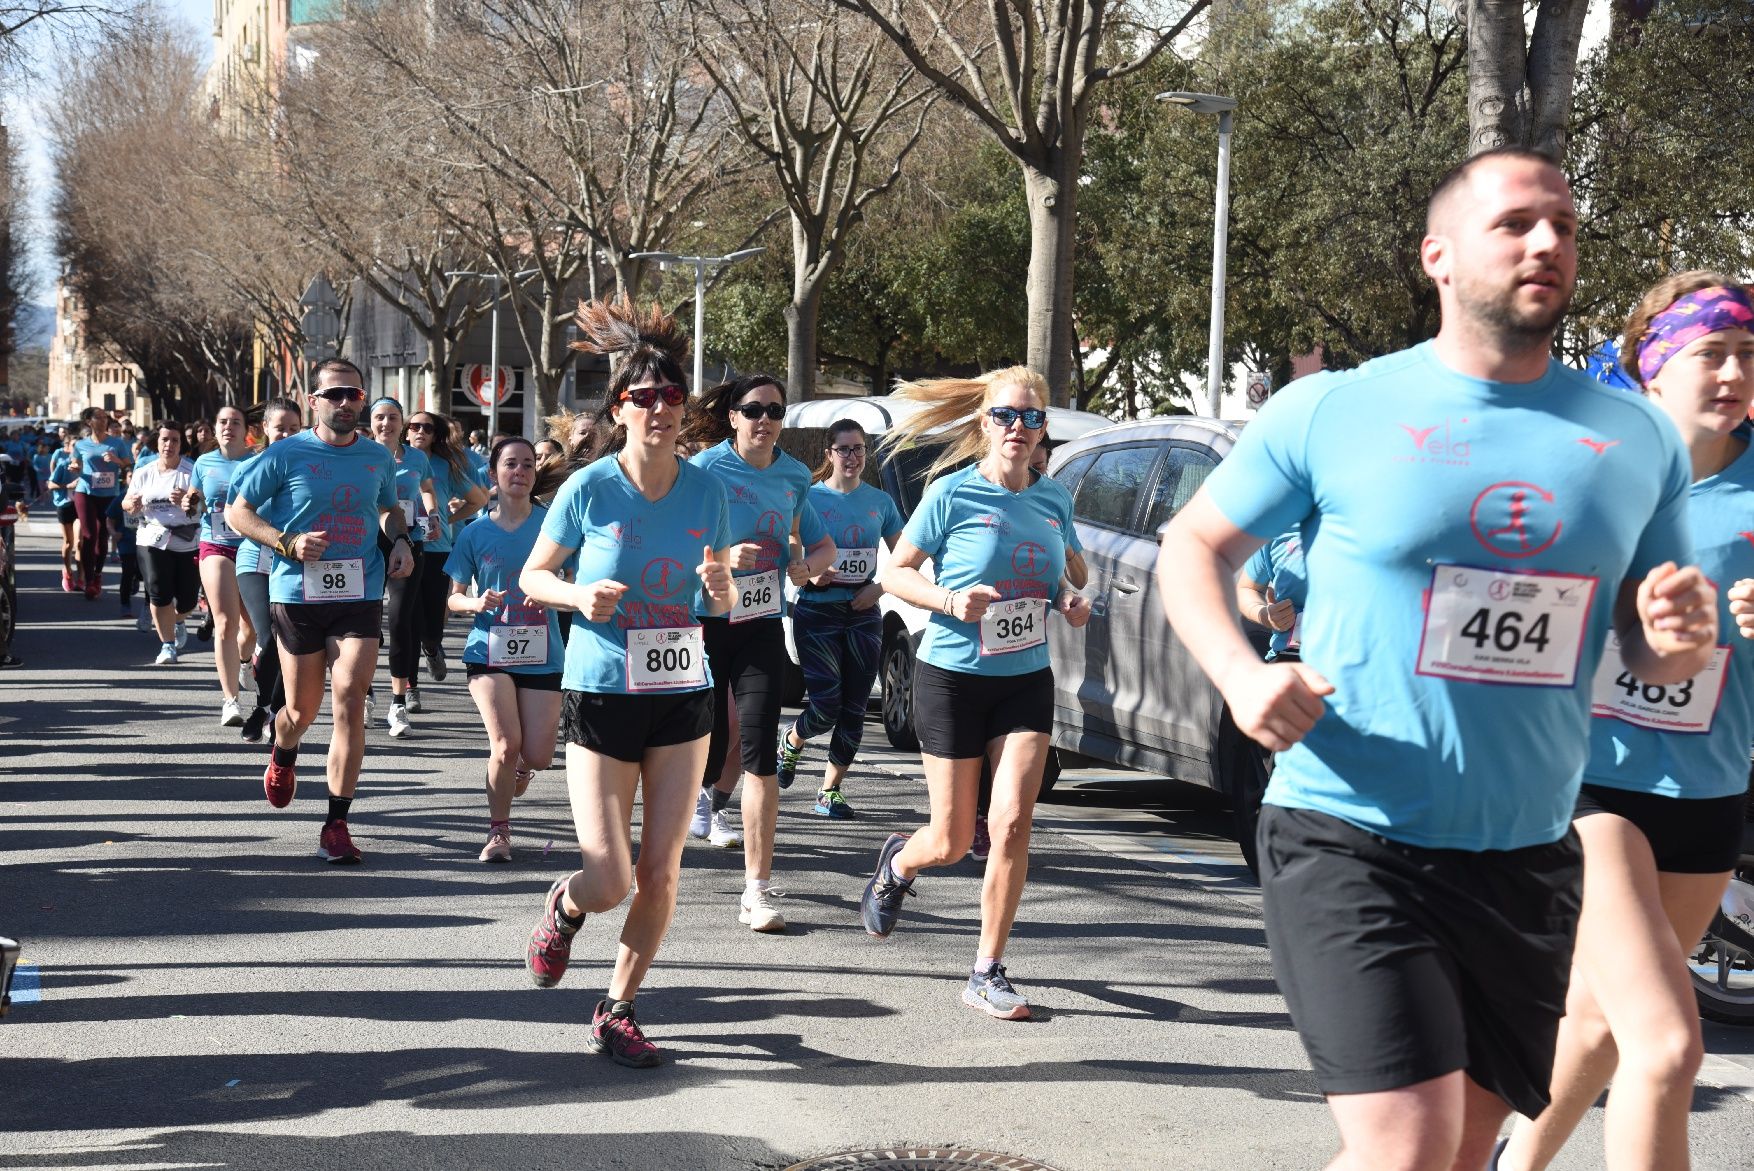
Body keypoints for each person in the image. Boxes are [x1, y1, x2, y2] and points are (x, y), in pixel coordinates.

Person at [1153, 148, 1717, 1171]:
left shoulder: (1635, 437)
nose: (1545, 242)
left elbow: (1649, 639)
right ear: (1438, 256)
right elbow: (1191, 547)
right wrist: (1241, 675)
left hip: (1522, 847)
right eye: (1513, 224)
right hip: (1349, 829)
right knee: (1406, 1141)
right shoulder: (1332, 409)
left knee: (1459, 1146)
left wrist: (1673, 644)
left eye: (1561, 225)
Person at [1496, 276, 1754, 1171]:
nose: (1732, 373)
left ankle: (1509, 1162)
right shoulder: (1592, 470)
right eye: (1709, 353)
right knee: (1669, 1041)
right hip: (1586, 783)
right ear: (1651, 366)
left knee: (1603, 1019)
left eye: (1748, 357)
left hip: (1708, 789)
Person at [518, 295, 734, 1067]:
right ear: (621, 409)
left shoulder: (709, 489)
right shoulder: (589, 489)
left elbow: (723, 589)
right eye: (644, 398)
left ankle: (619, 1006)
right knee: (609, 876)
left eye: (672, 397)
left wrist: (719, 593)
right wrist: (579, 595)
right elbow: (534, 577)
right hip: (604, 688)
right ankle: (567, 904)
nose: (661, 409)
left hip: (683, 694)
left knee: (661, 869)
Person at [858, 367, 1090, 1022]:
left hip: (1024, 677)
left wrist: (1071, 598)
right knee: (955, 838)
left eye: (1032, 417)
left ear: (1045, 427)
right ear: (984, 422)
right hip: (953, 676)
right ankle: (900, 863)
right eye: (1006, 416)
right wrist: (951, 599)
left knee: (1013, 821)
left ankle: (987, 969)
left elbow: (1069, 570)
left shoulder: (1053, 500)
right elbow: (894, 572)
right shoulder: (950, 495)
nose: (1019, 428)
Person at [227, 359, 414, 865]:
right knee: (301, 711)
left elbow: (387, 506)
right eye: (334, 394)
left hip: (359, 591)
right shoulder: (287, 454)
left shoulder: (377, 457)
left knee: (351, 701)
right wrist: (285, 541)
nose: (345, 402)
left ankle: (336, 823)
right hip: (298, 594)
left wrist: (398, 539)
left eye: (353, 394)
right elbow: (237, 512)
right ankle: (283, 749)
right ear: (315, 400)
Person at [680, 373, 836, 933]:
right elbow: (674, 539)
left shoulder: (795, 475)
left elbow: (822, 544)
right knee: (707, 736)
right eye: (752, 410)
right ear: (732, 417)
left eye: (774, 410)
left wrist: (806, 567)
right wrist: (723, 556)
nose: (764, 419)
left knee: (758, 747)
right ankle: (689, 809)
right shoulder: (702, 471)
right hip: (700, 621)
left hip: (761, 624)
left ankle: (757, 889)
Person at [446, 436, 564, 863]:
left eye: (528, 465)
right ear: (494, 473)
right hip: (489, 650)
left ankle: (521, 766)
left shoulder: (554, 527)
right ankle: (499, 833)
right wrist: (474, 602)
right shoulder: (475, 532)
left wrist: (553, 593)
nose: (520, 471)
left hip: (543, 651)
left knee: (537, 755)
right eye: (511, 464)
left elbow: (572, 577)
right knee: (504, 743)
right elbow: (452, 596)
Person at [777, 419, 903, 818]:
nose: (853, 457)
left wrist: (878, 589)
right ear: (829, 454)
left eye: (860, 449)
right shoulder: (809, 497)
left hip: (862, 611)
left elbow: (904, 560)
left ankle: (829, 791)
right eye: (845, 449)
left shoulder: (880, 503)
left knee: (855, 705)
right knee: (826, 704)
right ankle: (792, 740)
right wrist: (811, 568)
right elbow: (790, 544)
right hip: (816, 609)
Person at [368, 397, 438, 735]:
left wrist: (433, 513)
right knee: (366, 624)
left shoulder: (417, 458)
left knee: (400, 621)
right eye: (379, 417)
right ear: (370, 424)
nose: (386, 424)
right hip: (367, 546)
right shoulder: (360, 456)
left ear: (402, 424)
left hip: (408, 543)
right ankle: (365, 693)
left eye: (393, 417)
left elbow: (426, 489)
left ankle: (398, 702)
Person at [236, 398, 303, 744]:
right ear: (264, 429)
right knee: (267, 635)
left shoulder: (309, 468)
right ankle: (264, 706)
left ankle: (271, 709)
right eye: (280, 428)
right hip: (255, 561)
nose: (287, 434)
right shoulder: (249, 467)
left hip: (294, 566)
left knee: (287, 641)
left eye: (294, 428)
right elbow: (236, 520)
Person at [409, 410, 490, 687]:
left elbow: (478, 499)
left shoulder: (445, 465)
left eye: (427, 428)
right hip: (401, 545)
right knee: (406, 619)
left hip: (436, 547)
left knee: (431, 623)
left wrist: (446, 518)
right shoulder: (392, 460)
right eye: (415, 426)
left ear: (435, 435)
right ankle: (408, 689)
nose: (420, 431)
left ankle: (432, 647)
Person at [191, 406, 256, 726]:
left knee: (254, 627)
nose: (228, 427)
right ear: (214, 429)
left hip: (254, 546)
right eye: (223, 422)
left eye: (235, 422)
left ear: (246, 429)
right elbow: (195, 497)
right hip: (215, 544)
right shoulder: (203, 463)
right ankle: (230, 701)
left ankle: (245, 661)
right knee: (226, 624)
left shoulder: (257, 460)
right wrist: (187, 499)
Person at [122, 422, 201, 666]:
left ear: (181, 444)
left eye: (175, 440)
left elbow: (204, 507)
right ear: (157, 442)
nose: (169, 444)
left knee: (188, 599)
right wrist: (132, 505)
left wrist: (188, 502)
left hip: (186, 540)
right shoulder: (144, 472)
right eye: (165, 439)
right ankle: (167, 646)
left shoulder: (191, 472)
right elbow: (126, 502)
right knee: (158, 591)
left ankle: (177, 620)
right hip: (151, 537)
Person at [72, 406, 134, 598]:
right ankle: (89, 581)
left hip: (109, 495)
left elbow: (129, 464)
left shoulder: (117, 443)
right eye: (99, 417)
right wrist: (74, 466)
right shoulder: (80, 445)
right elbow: (76, 463)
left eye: (104, 417)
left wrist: (116, 460)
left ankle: (98, 574)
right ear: (89, 422)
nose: (104, 420)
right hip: (85, 492)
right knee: (89, 535)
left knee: (102, 536)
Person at [1236, 531, 1307, 661]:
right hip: (1291, 656)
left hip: (1351, 658)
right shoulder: (1276, 527)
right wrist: (1265, 616)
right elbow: (1247, 588)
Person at [47, 435, 79, 592]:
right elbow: (50, 484)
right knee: (69, 542)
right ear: (69, 449)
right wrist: (68, 485)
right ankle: (68, 572)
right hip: (65, 504)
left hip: (80, 505)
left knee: (80, 543)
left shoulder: (88, 465)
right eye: (75, 446)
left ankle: (83, 577)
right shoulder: (63, 464)